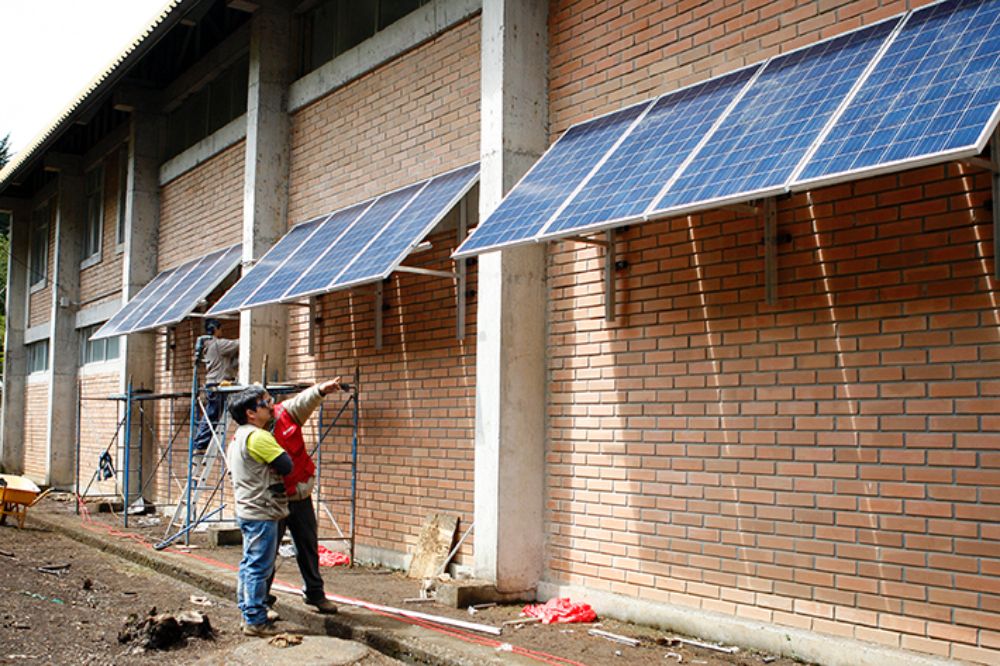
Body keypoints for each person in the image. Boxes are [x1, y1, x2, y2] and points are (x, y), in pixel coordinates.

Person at [266, 378, 343, 614]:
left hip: (299, 493)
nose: (268, 405)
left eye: (268, 401)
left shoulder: (285, 414)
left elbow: (303, 401)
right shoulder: (252, 433)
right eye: (262, 403)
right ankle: (260, 600)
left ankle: (315, 593)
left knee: (308, 545)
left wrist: (320, 390)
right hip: (273, 499)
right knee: (267, 551)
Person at [226, 385, 292, 637]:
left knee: (248, 563)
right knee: (258, 567)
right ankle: (255, 619)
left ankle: (249, 611)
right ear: (251, 413)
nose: (272, 405)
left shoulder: (237, 436)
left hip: (247, 509)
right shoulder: (259, 437)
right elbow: (286, 465)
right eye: (265, 402)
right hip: (262, 510)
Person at [192, 318, 239, 453]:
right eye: (220, 329)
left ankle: (200, 444)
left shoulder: (209, 346)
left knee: (211, 415)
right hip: (217, 384)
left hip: (213, 383)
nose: (221, 332)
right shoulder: (218, 345)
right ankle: (200, 444)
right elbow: (239, 344)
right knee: (212, 415)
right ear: (215, 329)